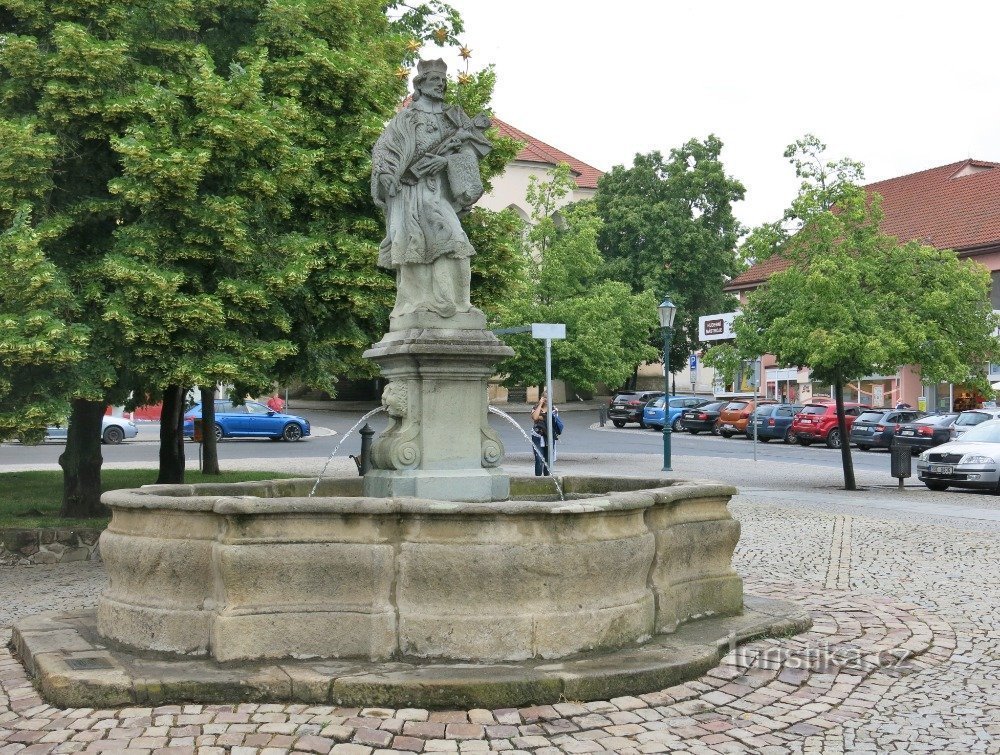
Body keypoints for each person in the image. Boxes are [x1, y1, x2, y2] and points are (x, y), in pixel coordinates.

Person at [370, 58, 493, 322]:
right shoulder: (405, 118)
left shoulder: (454, 118)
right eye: (435, 80)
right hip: (410, 193)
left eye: (443, 81)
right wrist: (385, 175)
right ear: (420, 84)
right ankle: (416, 305)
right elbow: (383, 151)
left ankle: (458, 305)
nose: (441, 85)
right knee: (414, 245)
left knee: (455, 240)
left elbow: (469, 151)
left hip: (438, 193)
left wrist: (446, 161)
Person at [530, 392, 564, 476]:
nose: (546, 399)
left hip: (549, 437)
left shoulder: (553, 409)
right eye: (544, 397)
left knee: (548, 460)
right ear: (541, 397)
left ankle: (547, 479)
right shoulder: (535, 407)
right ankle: (537, 480)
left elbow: (545, 418)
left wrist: (540, 417)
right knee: (538, 459)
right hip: (537, 436)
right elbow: (535, 417)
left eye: (548, 397)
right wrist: (540, 404)